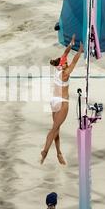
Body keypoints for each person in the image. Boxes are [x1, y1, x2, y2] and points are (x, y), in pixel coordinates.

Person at [41, 35, 84, 165]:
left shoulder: (59, 68)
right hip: (62, 102)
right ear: (63, 64)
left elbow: (65, 53)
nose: (66, 63)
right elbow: (74, 62)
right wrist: (80, 50)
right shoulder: (65, 73)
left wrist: (71, 43)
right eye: (65, 63)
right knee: (54, 129)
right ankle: (45, 151)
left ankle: (59, 153)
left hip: (53, 101)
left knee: (57, 128)